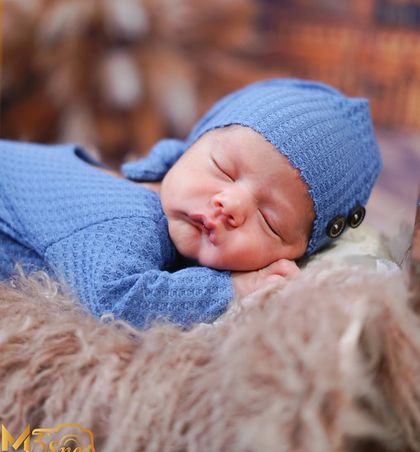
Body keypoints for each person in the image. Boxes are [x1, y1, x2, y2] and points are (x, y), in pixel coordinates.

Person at [0, 79, 382, 328]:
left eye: (269, 220)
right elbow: (116, 299)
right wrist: (236, 288)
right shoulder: (125, 215)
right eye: (224, 169)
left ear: (296, 252)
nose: (229, 203)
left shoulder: (165, 200)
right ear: (191, 145)